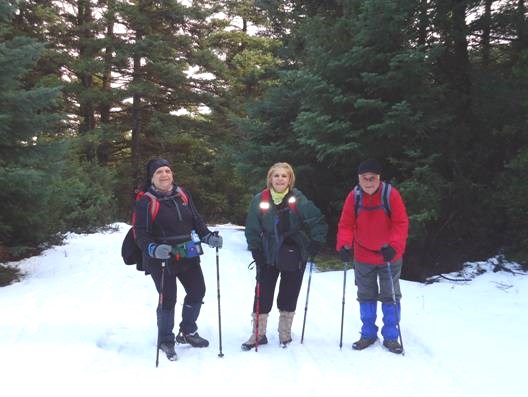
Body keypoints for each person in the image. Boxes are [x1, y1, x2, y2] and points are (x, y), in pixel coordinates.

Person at [133, 158, 223, 361]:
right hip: (161, 257)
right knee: (168, 298)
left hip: (187, 251)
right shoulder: (146, 202)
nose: (164, 174)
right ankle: (165, 339)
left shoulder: (182, 194)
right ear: (152, 177)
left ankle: (188, 331)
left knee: (197, 290)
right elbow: (141, 233)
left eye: (167, 170)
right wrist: (153, 249)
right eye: (159, 172)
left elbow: (196, 220)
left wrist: (208, 236)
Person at [242, 162, 328, 350]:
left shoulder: (298, 198)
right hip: (268, 251)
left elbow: (317, 220)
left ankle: (285, 333)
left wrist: (316, 242)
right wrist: (256, 250)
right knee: (263, 293)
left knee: (289, 291)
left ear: (290, 179)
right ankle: (258, 334)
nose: (280, 179)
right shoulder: (260, 199)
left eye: (284, 176)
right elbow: (252, 227)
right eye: (276, 175)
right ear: (270, 178)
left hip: (293, 250)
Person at [336, 159, 409, 354]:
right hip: (363, 255)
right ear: (359, 179)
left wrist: (394, 246)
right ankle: (368, 334)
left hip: (388, 256)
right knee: (365, 295)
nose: (369, 182)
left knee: (390, 295)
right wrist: (344, 245)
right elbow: (346, 224)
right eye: (364, 178)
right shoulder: (354, 197)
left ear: (379, 178)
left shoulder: (390, 195)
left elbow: (400, 223)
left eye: (373, 178)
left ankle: (391, 336)